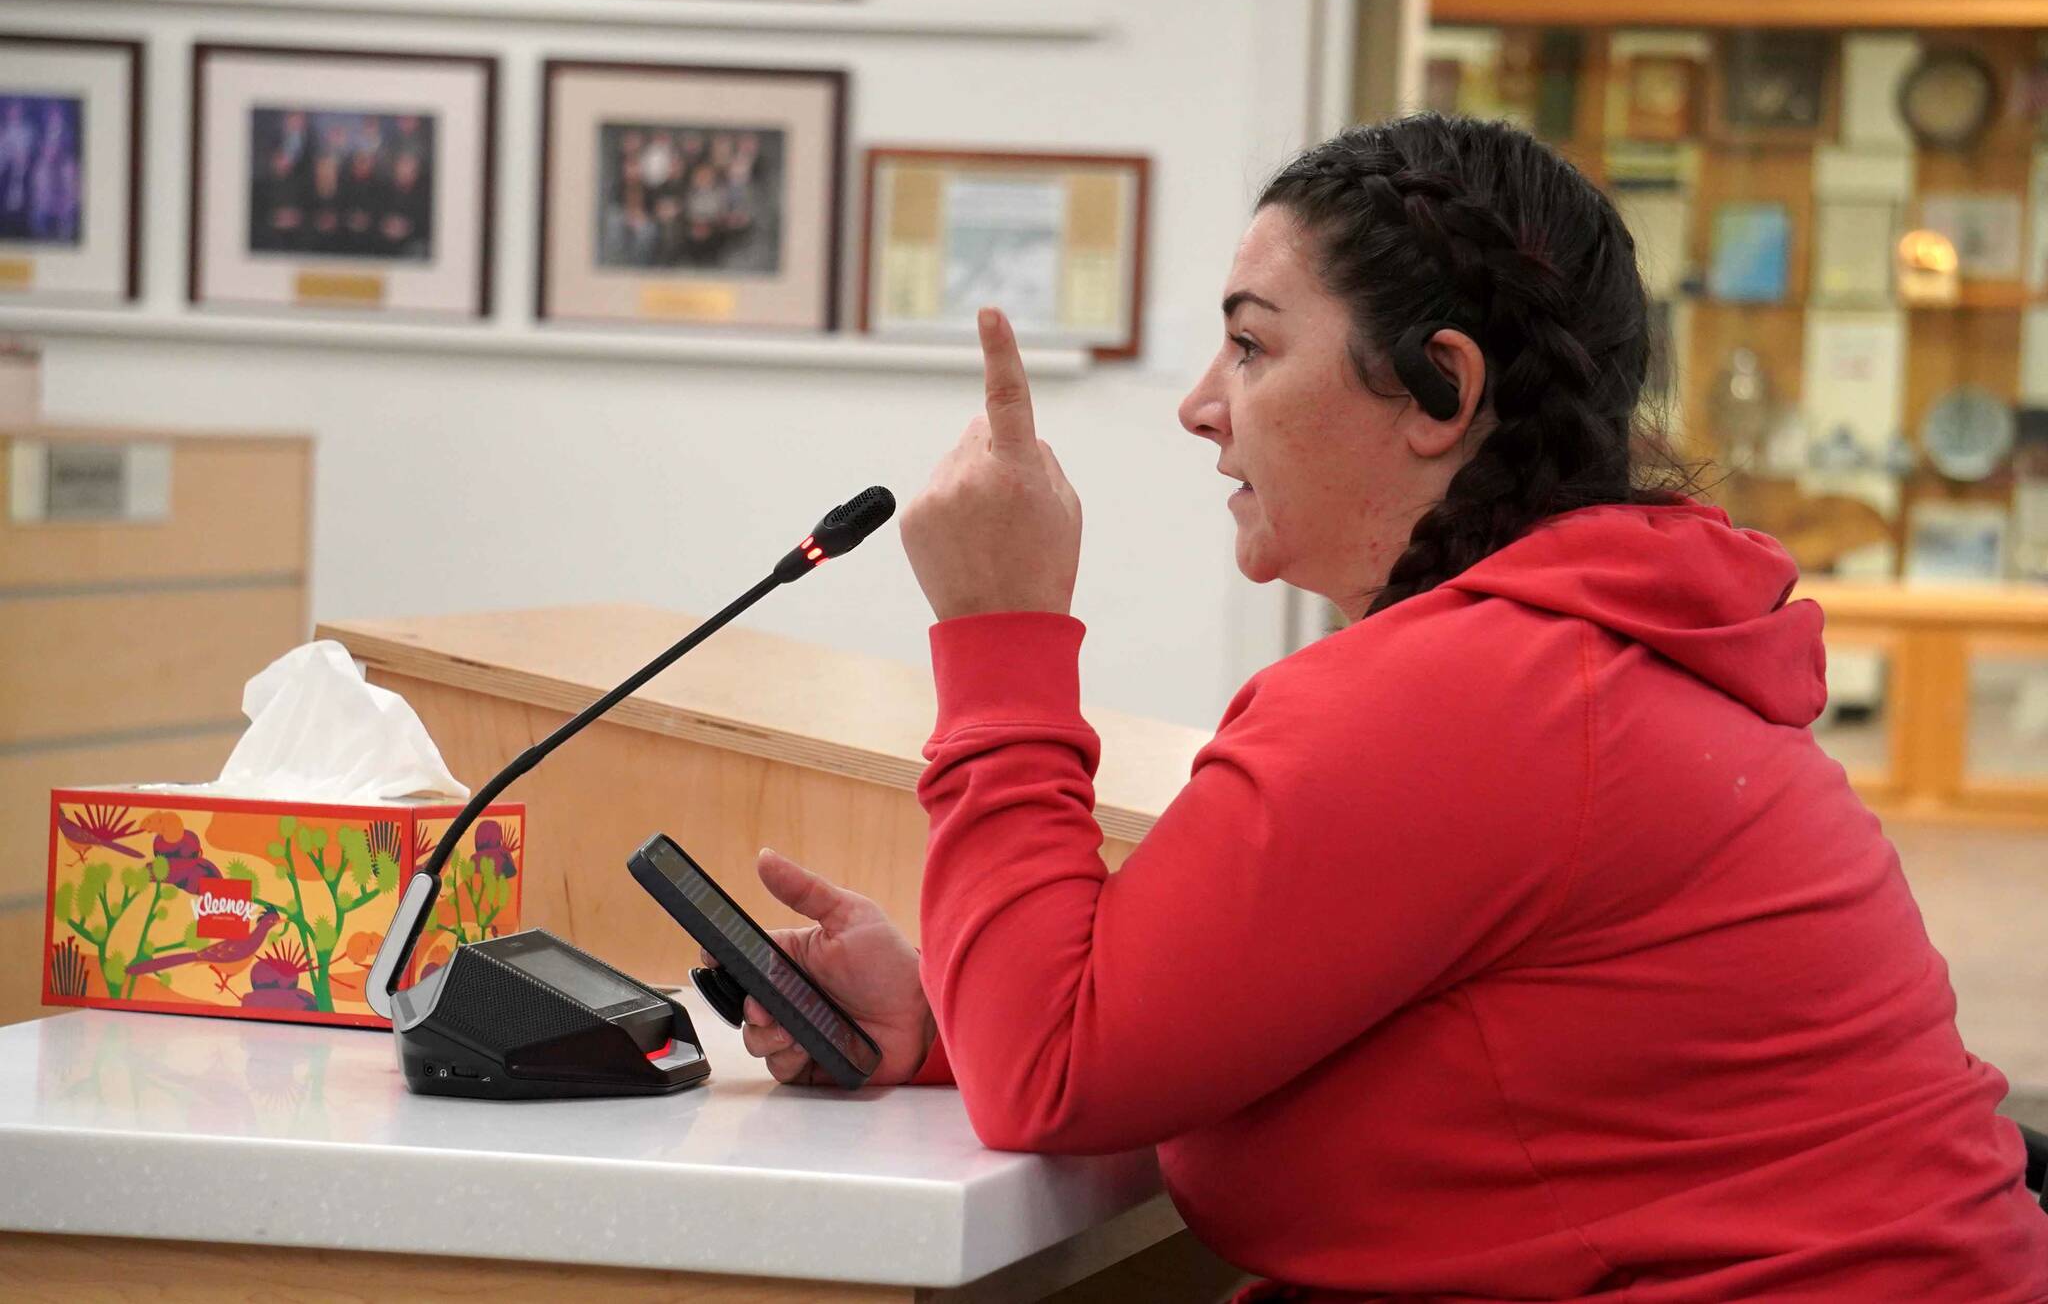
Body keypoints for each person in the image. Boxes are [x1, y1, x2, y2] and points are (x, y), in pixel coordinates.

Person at [719, 115, 2048, 1300]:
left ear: (1441, 390)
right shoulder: (1554, 661)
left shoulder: (1484, 696)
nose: (1200, 407)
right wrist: (950, 1017)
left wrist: (1000, 628)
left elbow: (1053, 1070)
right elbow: (1228, 1026)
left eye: (1249, 345)